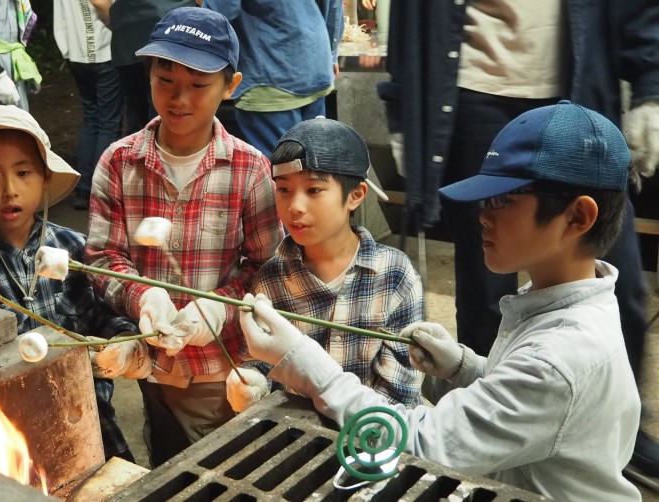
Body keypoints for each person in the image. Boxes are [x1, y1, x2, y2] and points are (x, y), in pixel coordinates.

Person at [239, 102, 642, 501]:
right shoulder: (554, 306)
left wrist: (306, 364)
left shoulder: (560, 357)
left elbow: (423, 443)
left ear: (577, 217)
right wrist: (463, 367)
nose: (484, 216)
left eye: (503, 200)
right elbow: (522, 392)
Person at [376, 0, 659, 477]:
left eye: (500, 203)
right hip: (471, 95)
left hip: (577, 92)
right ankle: (491, 432)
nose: (490, 214)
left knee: (622, 287)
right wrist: (404, 109)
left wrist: (652, 85)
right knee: (488, 284)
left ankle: (611, 431)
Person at [85, 7, 284, 467]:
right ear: (148, 73)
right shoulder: (119, 163)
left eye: (198, 85)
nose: (179, 99)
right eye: (165, 80)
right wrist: (143, 296)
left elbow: (267, 270)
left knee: (227, 469)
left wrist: (218, 307)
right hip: (152, 367)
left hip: (223, 373)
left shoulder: (250, 170)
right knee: (168, 462)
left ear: (230, 86)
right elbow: (102, 255)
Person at [0, 105, 144, 462]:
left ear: (45, 177)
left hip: (90, 409)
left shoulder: (74, 249)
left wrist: (122, 343)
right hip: (13, 430)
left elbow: (105, 315)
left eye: (23, 172)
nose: (10, 190)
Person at [225, 117, 423, 413]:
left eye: (314, 190)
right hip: (300, 435)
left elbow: (401, 387)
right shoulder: (271, 280)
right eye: (284, 189)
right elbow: (261, 359)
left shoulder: (394, 274)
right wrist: (253, 380)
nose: (295, 206)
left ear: (355, 195)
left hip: (379, 434)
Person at [202, 0, 343, 157]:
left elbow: (217, 16)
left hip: (270, 72)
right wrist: (331, 52)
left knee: (281, 173)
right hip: (314, 61)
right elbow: (334, 5)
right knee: (313, 167)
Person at [53, 0, 125, 210]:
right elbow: (102, 4)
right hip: (105, 52)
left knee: (91, 118)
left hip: (77, 54)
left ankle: (83, 189)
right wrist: (122, 30)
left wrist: (66, 50)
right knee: (108, 124)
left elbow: (61, 18)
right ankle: (99, 190)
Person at [89, 0, 196, 136]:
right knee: (166, 113)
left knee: (137, 114)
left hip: (127, 31)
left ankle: (138, 155)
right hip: (169, 30)